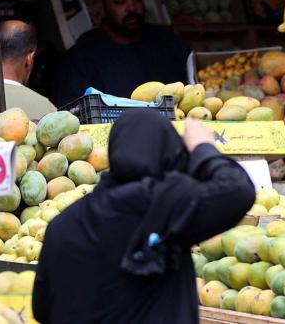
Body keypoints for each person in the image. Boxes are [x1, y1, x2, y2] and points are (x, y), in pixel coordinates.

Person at [32, 110, 255, 324]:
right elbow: (237, 190)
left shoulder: (62, 225)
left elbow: (42, 309)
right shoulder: (167, 205)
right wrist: (202, 148)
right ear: (169, 154)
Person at [52, 0, 192, 106]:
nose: (131, 8)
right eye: (120, 2)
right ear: (101, 7)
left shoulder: (169, 43)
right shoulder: (81, 58)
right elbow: (71, 112)